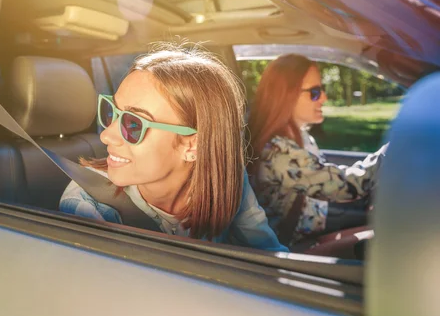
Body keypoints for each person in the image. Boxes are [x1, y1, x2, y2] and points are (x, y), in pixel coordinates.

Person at [59, 45, 287, 252]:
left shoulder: (227, 181)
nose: (107, 135)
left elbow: (267, 254)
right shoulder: (88, 203)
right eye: (112, 112)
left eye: (133, 124)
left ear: (193, 144)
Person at [247, 54, 387, 246]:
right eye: (314, 92)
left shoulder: (297, 137)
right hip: (292, 245)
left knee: (380, 220)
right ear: (287, 96)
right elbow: (348, 186)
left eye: (322, 90)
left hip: (312, 218)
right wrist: (393, 150)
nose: (324, 97)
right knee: (386, 231)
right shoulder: (278, 152)